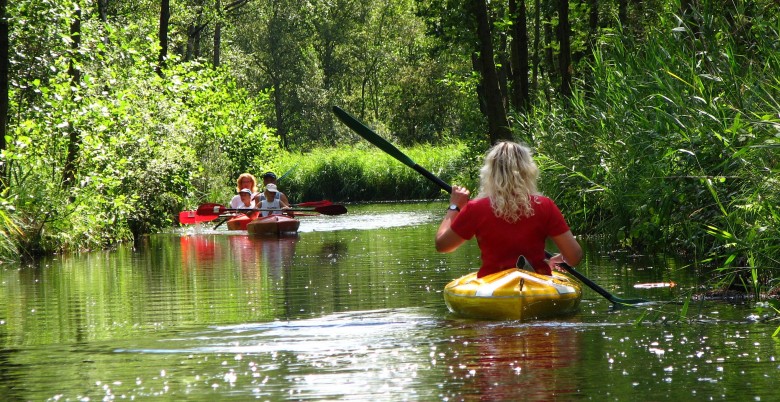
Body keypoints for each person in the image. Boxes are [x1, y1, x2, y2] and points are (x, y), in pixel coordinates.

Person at [435, 141, 582, 277]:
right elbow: (574, 257)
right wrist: (561, 258)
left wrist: (455, 206)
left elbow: (442, 245)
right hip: (537, 281)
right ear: (528, 171)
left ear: (490, 173)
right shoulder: (545, 205)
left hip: (493, 284)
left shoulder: (476, 208)